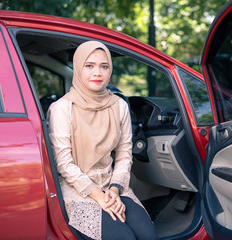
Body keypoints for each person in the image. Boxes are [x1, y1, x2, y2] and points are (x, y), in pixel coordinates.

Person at [47, 41, 157, 240]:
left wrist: (115, 190)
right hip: (77, 189)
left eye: (104, 66)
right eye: (89, 66)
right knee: (124, 238)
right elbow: (64, 163)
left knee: (148, 235)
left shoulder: (119, 106)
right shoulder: (61, 108)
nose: (97, 72)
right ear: (78, 67)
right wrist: (99, 196)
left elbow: (124, 155)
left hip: (111, 185)